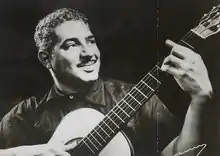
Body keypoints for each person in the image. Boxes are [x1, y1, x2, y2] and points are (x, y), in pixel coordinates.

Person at [0, 8, 213, 156]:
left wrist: (199, 101)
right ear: (46, 58)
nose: (89, 53)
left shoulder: (133, 97)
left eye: (91, 41)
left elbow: (180, 154)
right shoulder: (23, 116)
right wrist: (31, 151)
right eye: (72, 45)